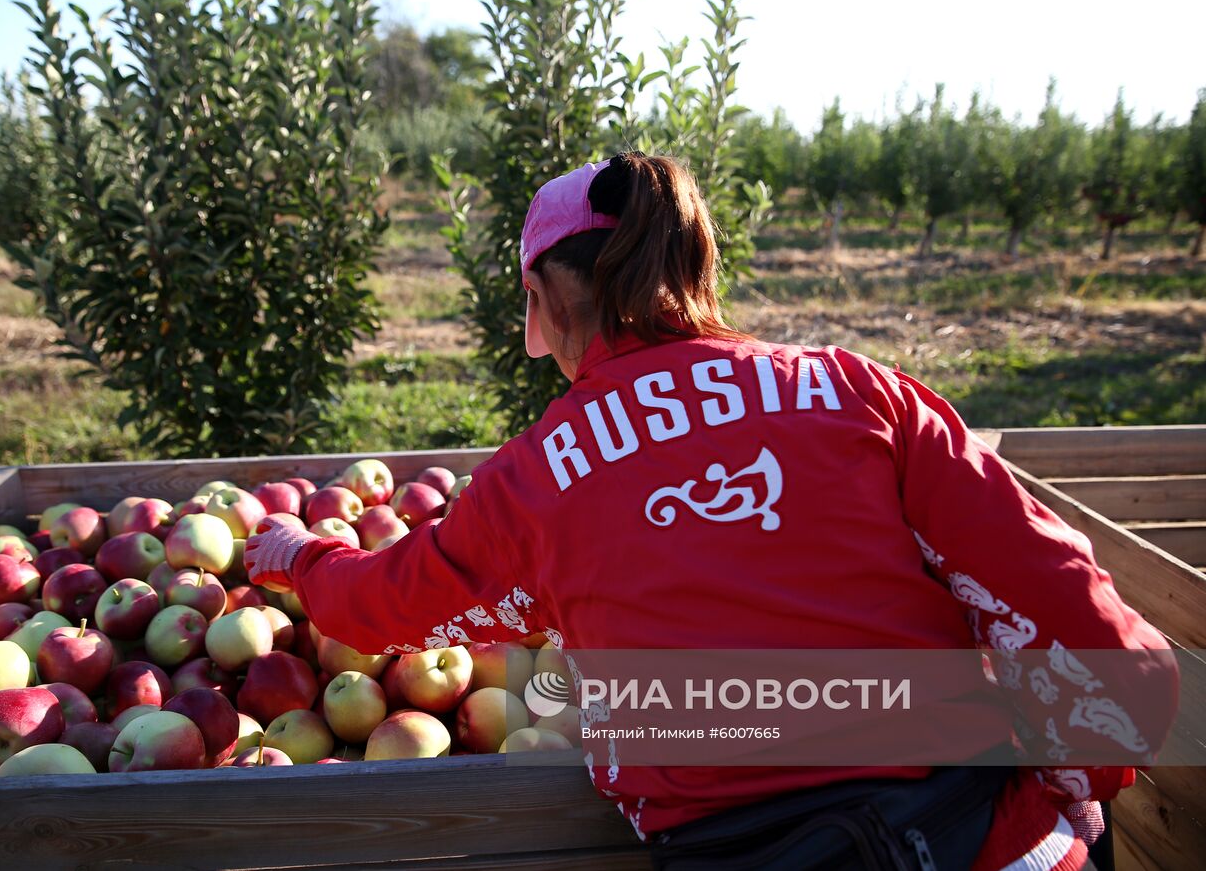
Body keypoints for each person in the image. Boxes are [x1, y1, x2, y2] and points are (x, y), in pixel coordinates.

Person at [245, 152, 1178, 870]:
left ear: (544, 299)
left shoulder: (536, 478)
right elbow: (1075, 615)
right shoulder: (859, 392)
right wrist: (1084, 775)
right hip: (973, 836)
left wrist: (300, 556)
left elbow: (384, 606)